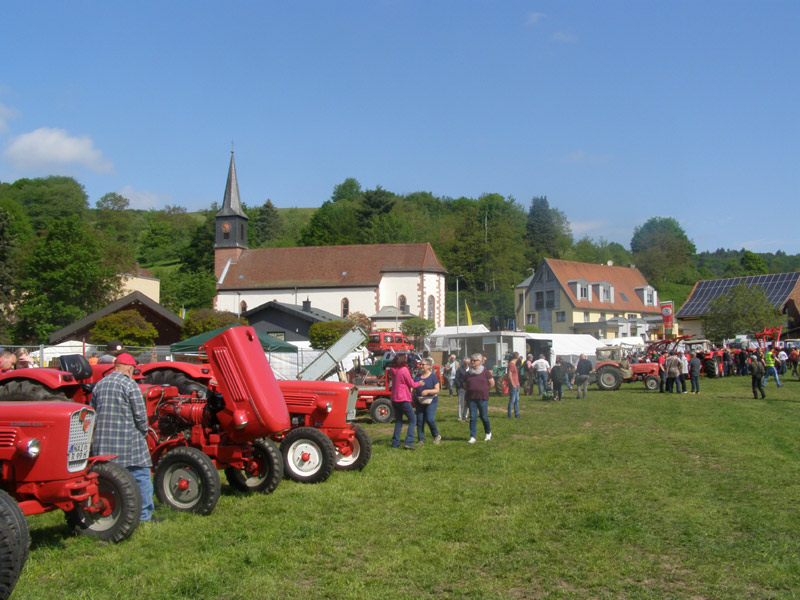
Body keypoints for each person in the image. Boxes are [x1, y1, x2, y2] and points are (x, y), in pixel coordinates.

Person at [89, 353, 157, 524]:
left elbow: (92, 412)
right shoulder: (130, 385)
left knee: (110, 480)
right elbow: (140, 415)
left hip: (104, 443)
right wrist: (144, 432)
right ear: (129, 368)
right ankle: (144, 515)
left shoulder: (99, 385)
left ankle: (117, 510)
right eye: (133, 369)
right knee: (141, 475)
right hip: (128, 442)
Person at [389, 353, 423, 450]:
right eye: (405, 357)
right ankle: (409, 441)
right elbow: (411, 383)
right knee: (413, 419)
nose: (407, 358)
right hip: (403, 397)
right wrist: (419, 383)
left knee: (399, 421)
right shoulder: (404, 370)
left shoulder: (392, 370)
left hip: (394, 398)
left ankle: (395, 443)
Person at [463, 353, 493, 444]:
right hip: (471, 397)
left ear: (480, 362)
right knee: (472, 417)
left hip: (482, 397)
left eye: (475, 360)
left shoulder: (485, 372)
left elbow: (492, 383)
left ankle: (488, 433)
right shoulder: (468, 373)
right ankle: (473, 436)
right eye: (472, 360)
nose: (473, 362)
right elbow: (465, 384)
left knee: (484, 416)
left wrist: (485, 390)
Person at [414, 357, 442, 445]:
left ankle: (436, 435)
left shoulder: (433, 377)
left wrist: (428, 391)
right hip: (419, 401)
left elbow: (437, 390)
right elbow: (413, 386)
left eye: (423, 364)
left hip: (431, 401)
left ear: (429, 366)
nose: (421, 366)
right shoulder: (417, 376)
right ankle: (421, 440)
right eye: (420, 364)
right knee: (420, 420)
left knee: (430, 419)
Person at [506, 352, 520, 418]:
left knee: (516, 400)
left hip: (517, 384)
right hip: (513, 385)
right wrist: (512, 384)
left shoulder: (513, 364)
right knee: (512, 400)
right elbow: (509, 375)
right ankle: (509, 415)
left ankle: (517, 414)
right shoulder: (511, 364)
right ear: (517, 357)